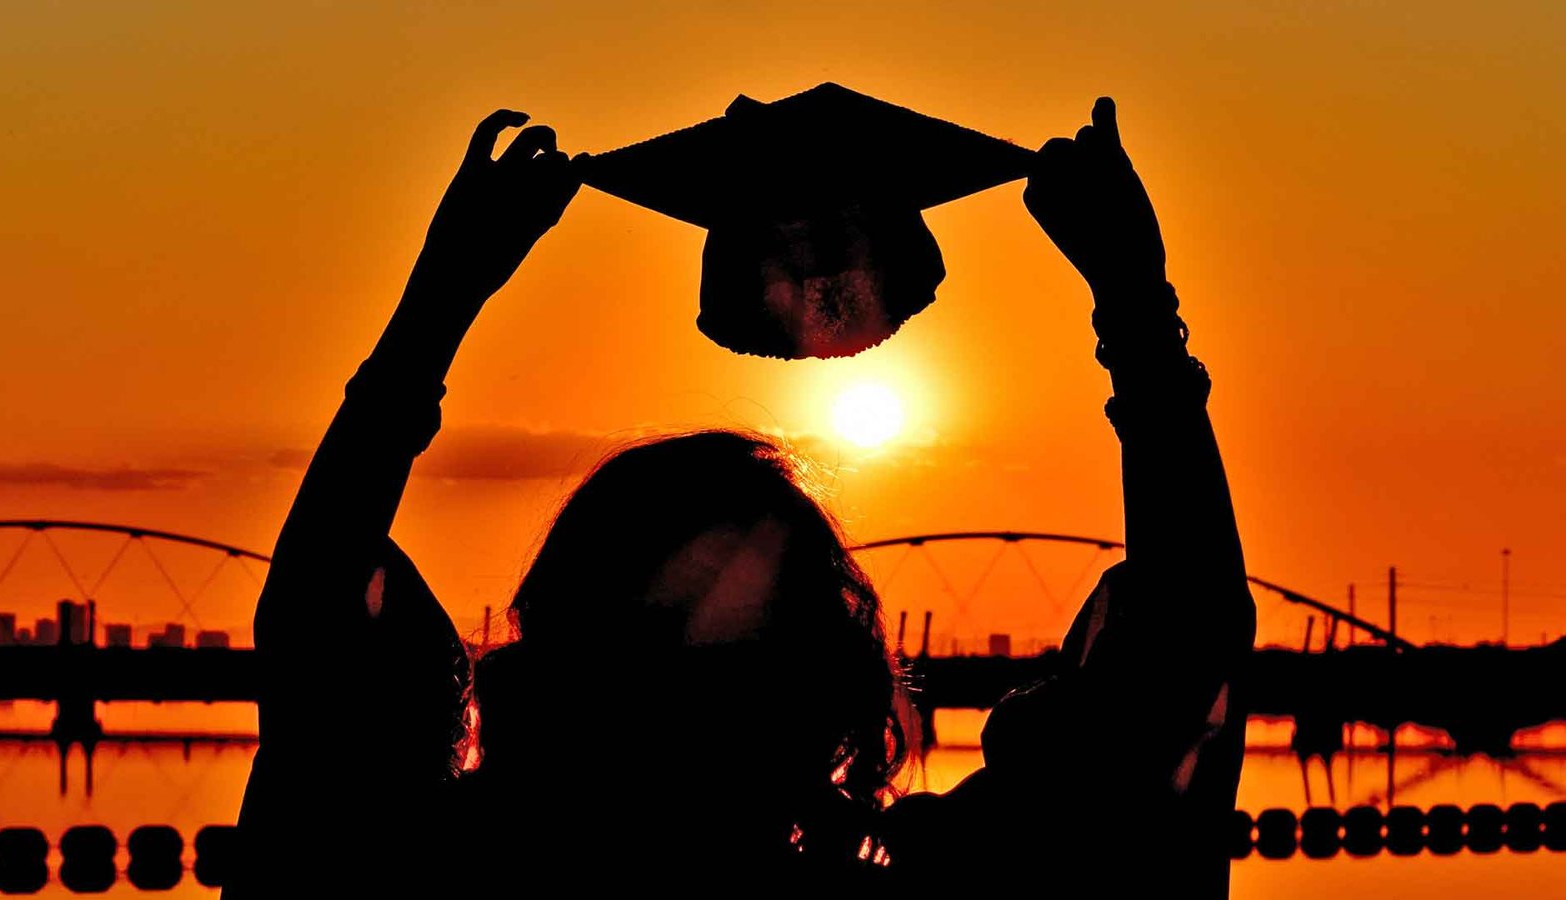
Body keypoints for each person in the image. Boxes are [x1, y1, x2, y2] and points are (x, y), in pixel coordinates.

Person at [228, 98, 1254, 895]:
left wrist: (441, 298)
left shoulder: (425, 873)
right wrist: (1135, 309)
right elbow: (1179, 645)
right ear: (826, 677)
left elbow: (320, 614)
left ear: (556, 640)